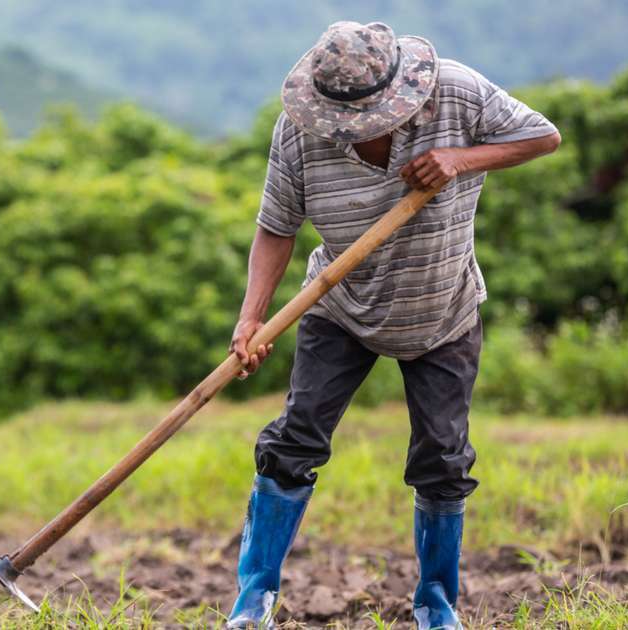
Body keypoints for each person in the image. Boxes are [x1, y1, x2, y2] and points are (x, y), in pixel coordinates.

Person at [226, 21, 561, 630]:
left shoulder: (458, 93)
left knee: (443, 459)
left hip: (442, 310)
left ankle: (437, 607)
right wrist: (252, 319)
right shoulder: (300, 132)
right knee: (292, 442)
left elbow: (543, 136)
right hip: (340, 306)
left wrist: (461, 159)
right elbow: (276, 226)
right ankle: (253, 603)